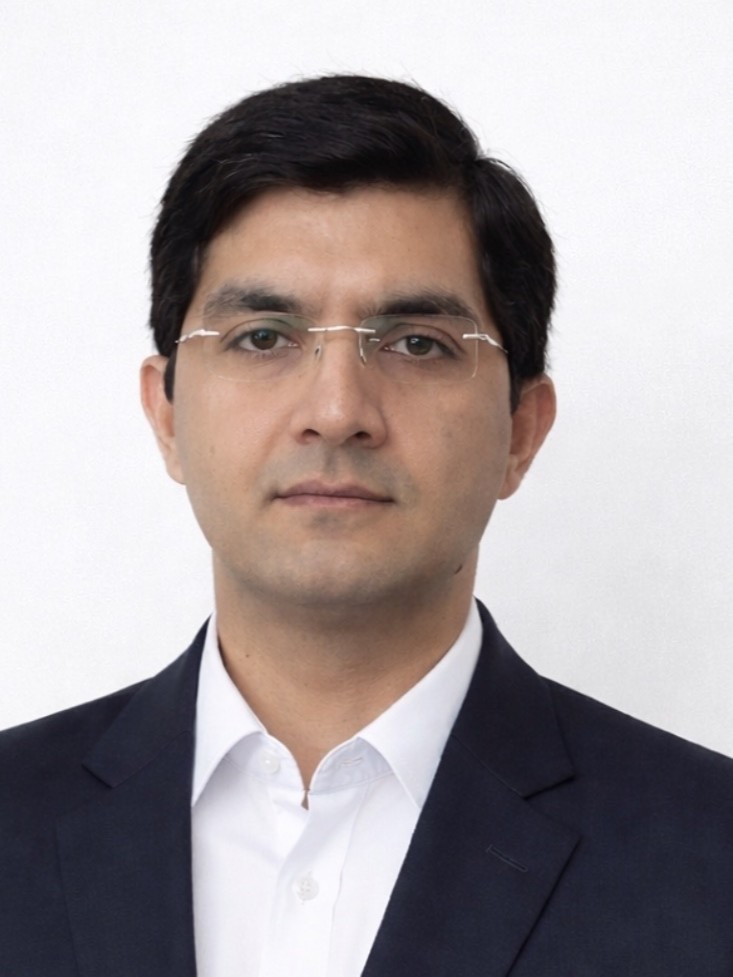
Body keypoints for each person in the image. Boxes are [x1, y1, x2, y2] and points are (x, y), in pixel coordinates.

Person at [2, 74, 732, 977]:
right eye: (263, 337)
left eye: (416, 343)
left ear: (520, 431)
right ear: (167, 414)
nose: (336, 411)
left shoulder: (709, 856)